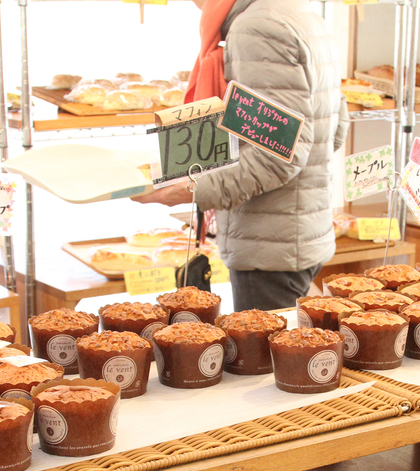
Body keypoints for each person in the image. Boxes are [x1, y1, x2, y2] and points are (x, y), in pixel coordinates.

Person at [133, 0, 348, 311]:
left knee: (265, 357)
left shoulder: (256, 27)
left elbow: (277, 156)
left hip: (269, 246)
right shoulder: (300, 14)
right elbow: (335, 129)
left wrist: (192, 189)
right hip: (298, 234)